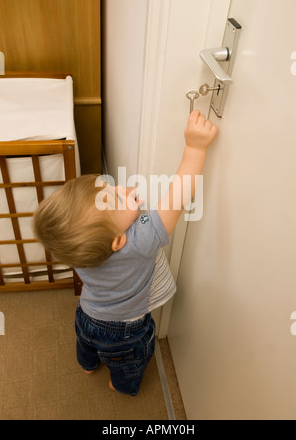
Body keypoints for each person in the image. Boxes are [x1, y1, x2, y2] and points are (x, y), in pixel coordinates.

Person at [33, 110, 217, 396]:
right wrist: (195, 147)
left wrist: (121, 207)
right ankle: (119, 384)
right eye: (118, 197)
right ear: (118, 241)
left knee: (86, 345)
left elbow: (103, 224)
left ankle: (88, 364)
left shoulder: (76, 249)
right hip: (125, 332)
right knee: (128, 363)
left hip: (87, 315)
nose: (121, 188)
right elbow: (177, 197)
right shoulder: (140, 241)